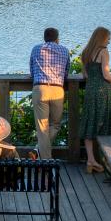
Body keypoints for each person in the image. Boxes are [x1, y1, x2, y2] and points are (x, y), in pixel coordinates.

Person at [81, 27, 111, 173]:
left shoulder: (86, 52)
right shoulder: (103, 51)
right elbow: (106, 75)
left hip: (90, 92)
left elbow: (85, 75)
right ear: (102, 38)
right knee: (105, 125)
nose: (110, 40)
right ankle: (108, 161)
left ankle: (91, 160)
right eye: (108, 37)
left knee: (90, 124)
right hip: (103, 92)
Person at [29, 27, 70, 159]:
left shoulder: (36, 49)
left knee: (42, 127)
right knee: (55, 125)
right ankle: (45, 160)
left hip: (40, 89)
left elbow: (31, 70)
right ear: (57, 38)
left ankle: (39, 153)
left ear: (44, 38)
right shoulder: (64, 50)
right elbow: (66, 73)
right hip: (57, 89)